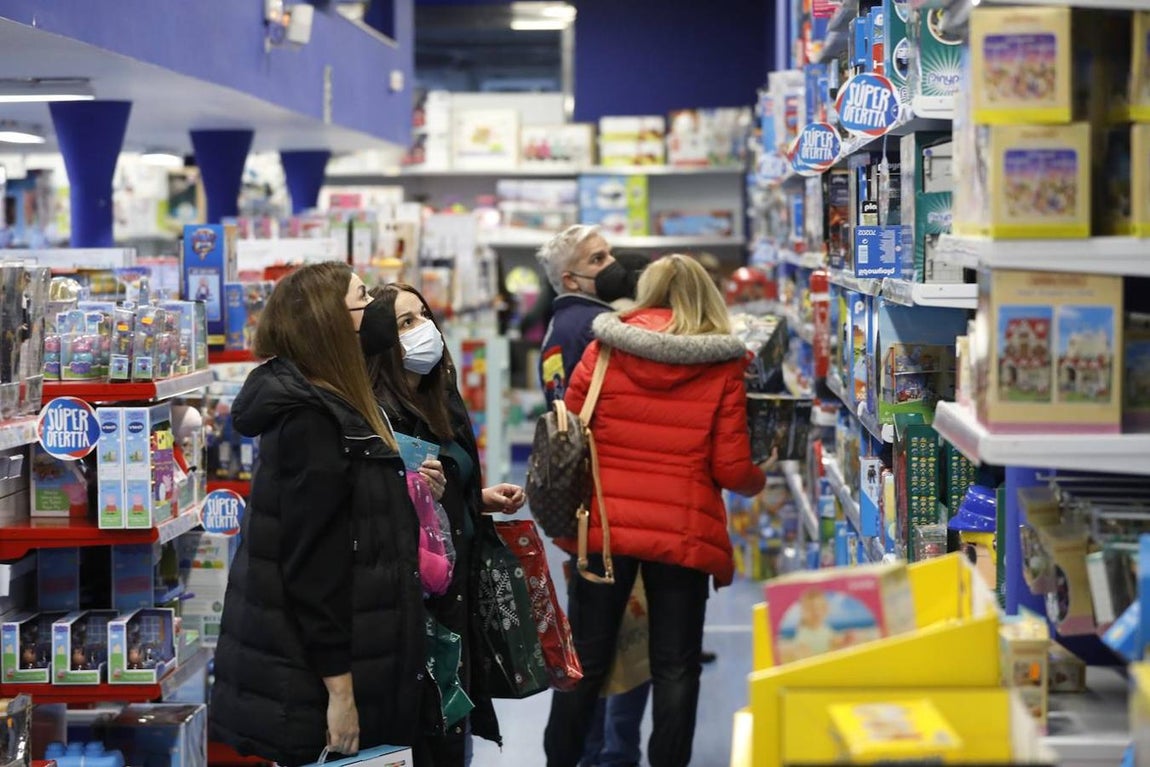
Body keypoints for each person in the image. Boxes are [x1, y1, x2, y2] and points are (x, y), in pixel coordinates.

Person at [543, 254, 771, 767]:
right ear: (706, 294)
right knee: (676, 667)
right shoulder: (722, 363)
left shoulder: (604, 349)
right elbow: (732, 468)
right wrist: (761, 473)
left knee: (588, 661)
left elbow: (571, 428)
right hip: (683, 533)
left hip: (604, 527)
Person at [210, 262, 426, 765]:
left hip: (334, 658)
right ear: (330, 323)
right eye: (362, 298)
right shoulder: (311, 420)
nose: (376, 307)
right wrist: (341, 694)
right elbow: (313, 568)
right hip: (312, 679)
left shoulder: (333, 401)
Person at [364, 283, 527, 766]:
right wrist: (414, 494)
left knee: (456, 731)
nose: (424, 331)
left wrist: (476, 500)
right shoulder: (374, 417)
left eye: (423, 316)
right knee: (430, 734)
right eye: (405, 324)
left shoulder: (442, 398)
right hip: (416, 608)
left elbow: (448, 489)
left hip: (459, 594)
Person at [536, 226, 650, 767]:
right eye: (597, 258)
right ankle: (610, 753)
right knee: (621, 644)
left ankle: (592, 750)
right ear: (570, 277)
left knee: (598, 638)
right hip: (613, 506)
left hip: (588, 511)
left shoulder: (561, 326)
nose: (612, 265)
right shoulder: (595, 327)